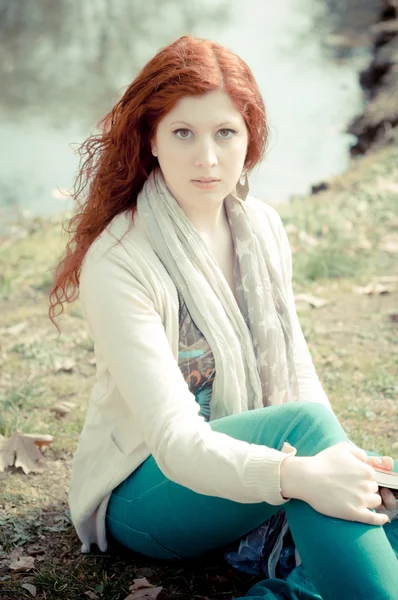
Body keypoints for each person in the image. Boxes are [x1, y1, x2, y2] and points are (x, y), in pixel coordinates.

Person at [49, 35, 398, 600]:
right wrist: (302, 474)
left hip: (254, 459)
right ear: (152, 140)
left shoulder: (260, 227)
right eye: (183, 133)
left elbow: (298, 370)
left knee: (374, 487)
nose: (206, 158)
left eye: (225, 133)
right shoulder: (119, 262)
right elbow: (177, 441)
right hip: (146, 494)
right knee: (309, 443)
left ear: (249, 140)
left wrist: (340, 464)